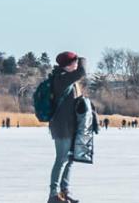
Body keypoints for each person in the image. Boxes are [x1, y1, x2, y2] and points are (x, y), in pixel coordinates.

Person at [46, 52, 87, 203]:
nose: (76, 65)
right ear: (67, 65)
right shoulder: (62, 78)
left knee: (70, 159)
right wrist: (82, 59)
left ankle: (64, 191)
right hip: (62, 127)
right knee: (61, 159)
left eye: (76, 62)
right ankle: (53, 194)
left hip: (71, 126)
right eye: (74, 62)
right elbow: (82, 71)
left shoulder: (71, 81)